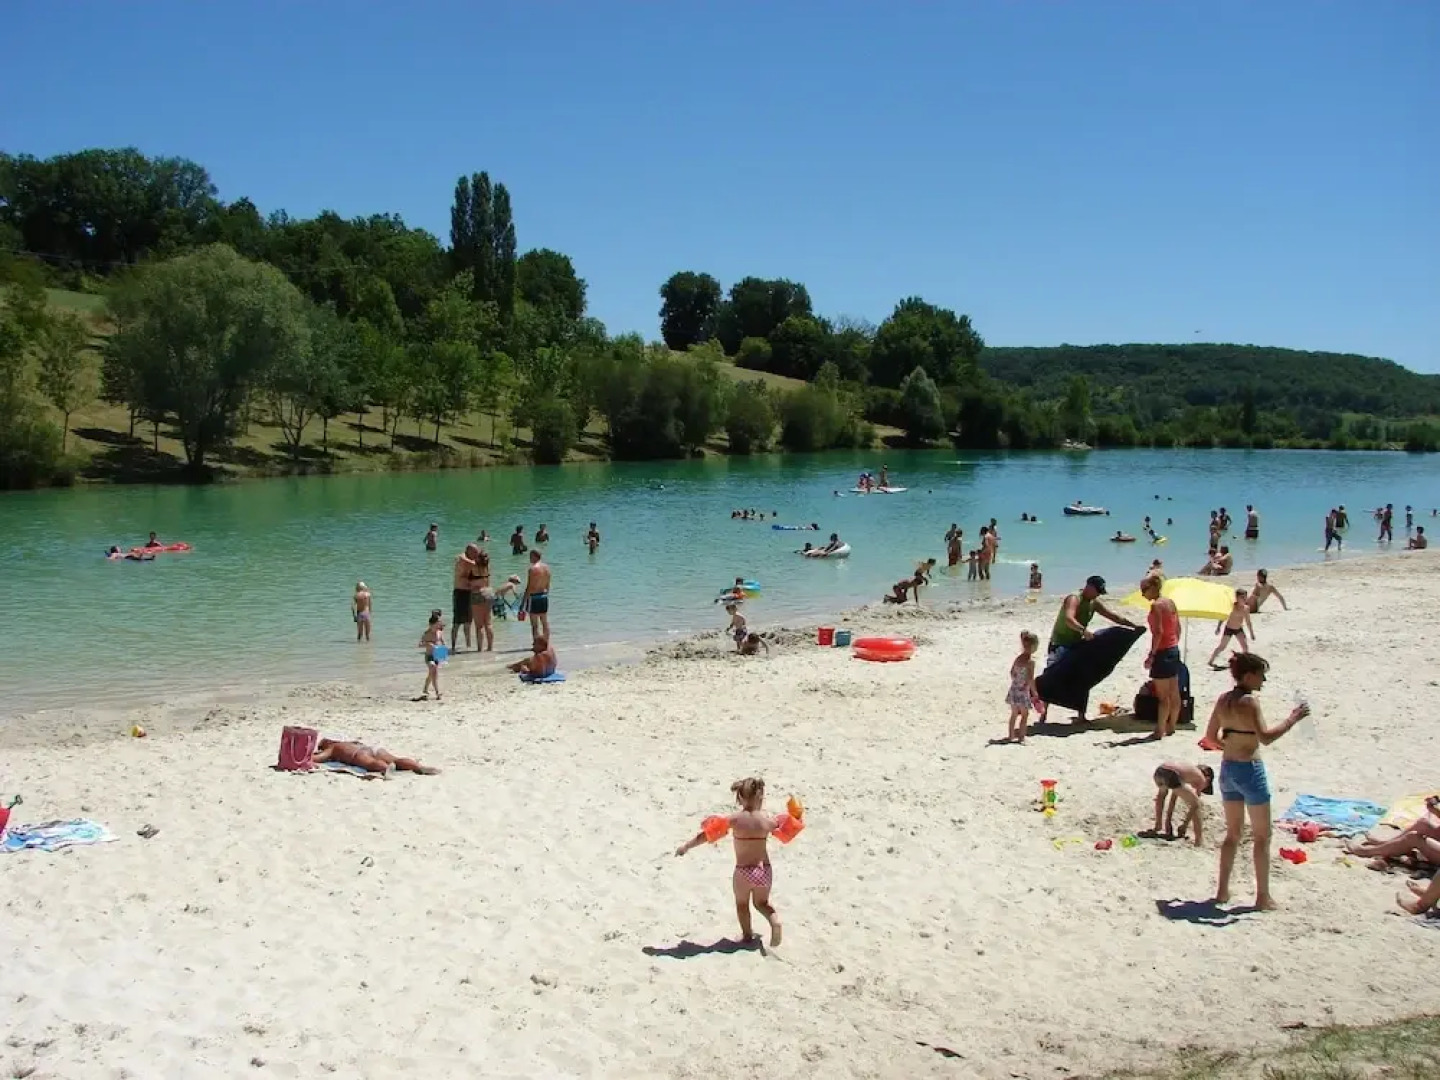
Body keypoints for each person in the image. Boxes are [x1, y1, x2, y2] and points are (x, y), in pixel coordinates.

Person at [1204, 652, 1308, 909]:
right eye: (1261, 675)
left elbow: (1210, 737)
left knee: (1233, 834)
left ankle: (1222, 891)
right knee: (1263, 835)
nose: (1264, 680)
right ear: (1249, 675)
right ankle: (1262, 896)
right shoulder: (1250, 702)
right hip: (1249, 768)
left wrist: (1230, 743)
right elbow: (1266, 737)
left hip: (1228, 768)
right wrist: (1292, 719)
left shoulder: (1223, 700)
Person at [673, 777, 785, 946]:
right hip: (764, 870)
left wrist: (686, 846)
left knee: (742, 904)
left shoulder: (733, 820)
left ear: (739, 798)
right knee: (762, 903)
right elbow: (785, 826)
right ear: (760, 797)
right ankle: (774, 921)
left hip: (743, 872)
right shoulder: (767, 821)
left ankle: (747, 936)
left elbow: (707, 835)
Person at [1046, 576, 1139, 662]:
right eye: (1097, 591)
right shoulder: (1074, 598)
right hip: (1059, 644)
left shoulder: (1094, 603)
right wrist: (1084, 631)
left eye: (1100, 592)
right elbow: (1069, 619)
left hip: (1075, 644)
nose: (1098, 594)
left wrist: (1134, 626)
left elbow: (1114, 617)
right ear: (1089, 586)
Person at [1140, 574, 1182, 739]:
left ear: (1153, 588)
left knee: (1163, 696)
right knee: (1174, 692)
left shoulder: (1156, 606)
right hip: (1173, 649)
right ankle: (1171, 726)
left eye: (1144, 590)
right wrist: (1174, 642)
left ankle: (1159, 730)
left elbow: (1158, 632)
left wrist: (1152, 655)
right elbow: (1177, 627)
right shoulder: (1170, 602)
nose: (1143, 594)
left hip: (1163, 651)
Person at [1143, 763, 1214, 845]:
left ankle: (1158, 826)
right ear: (1208, 779)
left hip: (1159, 771)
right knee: (1197, 804)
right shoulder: (1202, 779)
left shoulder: (1186, 772)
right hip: (1172, 774)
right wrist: (1184, 825)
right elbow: (1195, 806)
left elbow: (1173, 799)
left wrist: (1168, 821)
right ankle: (1199, 840)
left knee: (1162, 795)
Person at [313, 738, 440, 775]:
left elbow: (318, 758)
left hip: (358, 754)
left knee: (369, 763)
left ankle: (384, 768)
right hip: (372, 748)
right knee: (395, 758)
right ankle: (418, 766)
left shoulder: (333, 748)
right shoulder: (350, 742)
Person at [1005, 631, 1040, 743]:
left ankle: (1011, 736)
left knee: (1014, 714)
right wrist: (1034, 692)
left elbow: (1012, 673)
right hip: (1023, 691)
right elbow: (1030, 679)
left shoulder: (1018, 658)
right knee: (1025, 715)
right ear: (1034, 646)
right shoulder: (1030, 662)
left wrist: (1017, 681)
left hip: (1014, 689)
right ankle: (1021, 737)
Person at [1207, 587, 1255, 669]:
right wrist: (1218, 627)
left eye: (1245, 597)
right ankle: (1211, 661)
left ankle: (1245, 662)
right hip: (1229, 629)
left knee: (1245, 646)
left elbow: (1248, 622)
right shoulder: (1231, 607)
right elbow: (1223, 617)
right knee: (1222, 647)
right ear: (1237, 598)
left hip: (1238, 629)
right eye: (1242, 597)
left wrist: (1251, 633)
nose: (1244, 599)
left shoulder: (1246, 608)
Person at [450, 544, 479, 652]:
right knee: (456, 623)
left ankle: (468, 646)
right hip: (460, 593)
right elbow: (461, 558)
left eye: (477, 553)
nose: (476, 555)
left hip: (468, 593)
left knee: (468, 623)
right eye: (475, 552)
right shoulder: (462, 559)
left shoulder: (469, 561)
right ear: (468, 551)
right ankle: (453, 646)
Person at [522, 548, 551, 642]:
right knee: (545, 622)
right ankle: (546, 642)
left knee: (534, 624)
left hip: (534, 598)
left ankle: (536, 643)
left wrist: (523, 601)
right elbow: (548, 585)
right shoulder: (547, 568)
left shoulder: (532, 569)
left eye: (530, 556)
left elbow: (529, 587)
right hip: (544, 596)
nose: (529, 558)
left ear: (534, 556)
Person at [419, 609, 447, 701]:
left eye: (438, 625)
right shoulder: (427, 634)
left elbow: (443, 643)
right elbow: (420, 644)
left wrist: (443, 655)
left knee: (432, 674)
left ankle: (425, 689)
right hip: (429, 656)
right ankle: (437, 692)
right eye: (435, 625)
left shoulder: (439, 633)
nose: (437, 627)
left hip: (437, 656)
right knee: (433, 668)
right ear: (431, 625)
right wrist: (428, 644)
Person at [470, 548, 495, 652]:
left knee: (479, 625)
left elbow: (470, 583)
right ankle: (490, 647)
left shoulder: (473, 567)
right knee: (488, 624)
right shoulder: (488, 567)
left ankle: (479, 649)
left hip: (477, 594)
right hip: (489, 592)